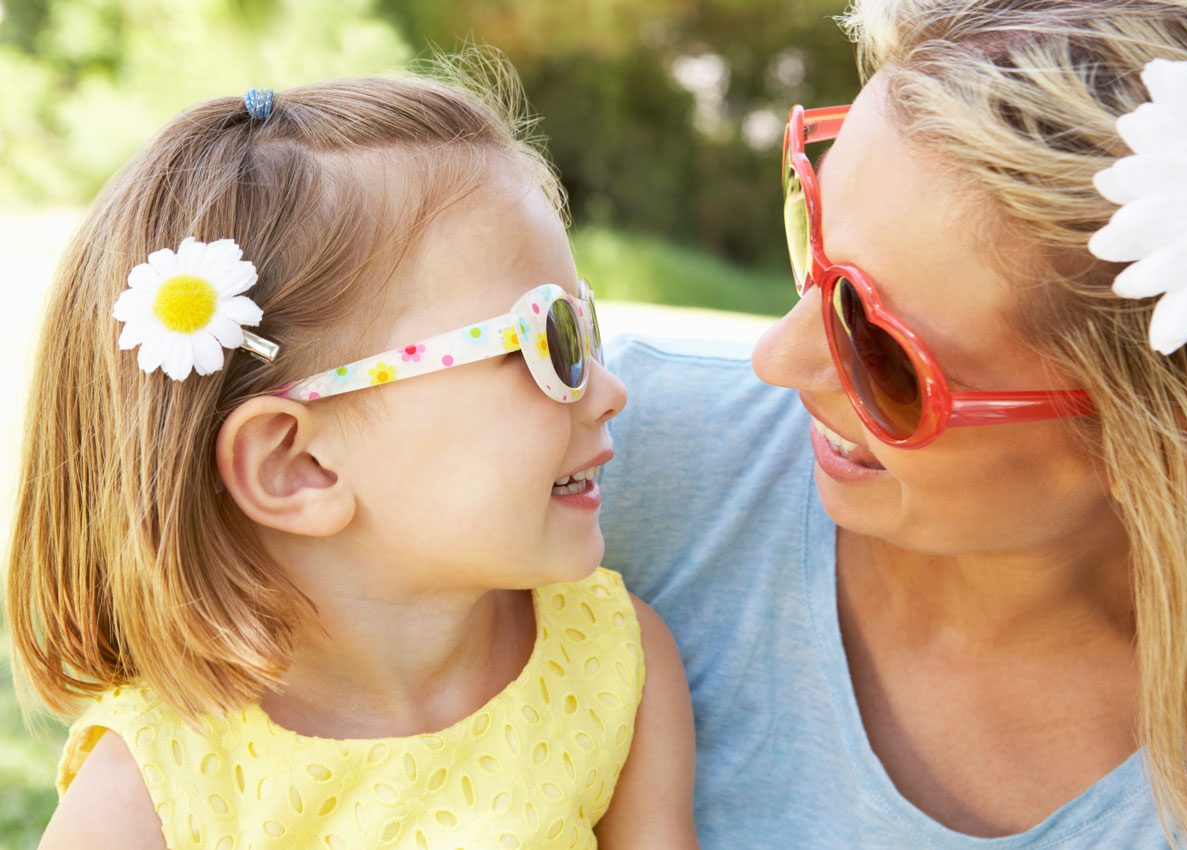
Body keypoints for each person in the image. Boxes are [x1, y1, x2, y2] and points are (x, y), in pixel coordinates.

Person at [599, 0, 1187, 848]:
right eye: (811, 231)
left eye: (879, 346)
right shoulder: (615, 467)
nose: (777, 359)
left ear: (1157, 443)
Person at [7, 58, 698, 850]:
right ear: (297, 465)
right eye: (551, 343)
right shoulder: (151, 791)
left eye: (586, 327)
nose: (609, 390)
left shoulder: (610, 663)